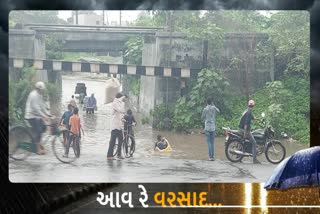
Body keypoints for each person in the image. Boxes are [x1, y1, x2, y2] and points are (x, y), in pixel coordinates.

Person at [24, 81, 53, 155]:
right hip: (31, 116)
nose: (43, 91)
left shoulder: (39, 95)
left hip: (36, 116)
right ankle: (38, 149)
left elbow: (42, 106)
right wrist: (44, 116)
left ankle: (38, 142)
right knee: (39, 131)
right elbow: (36, 108)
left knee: (44, 128)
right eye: (42, 89)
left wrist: (49, 114)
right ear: (38, 89)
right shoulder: (33, 95)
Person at [239, 100, 260, 164]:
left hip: (241, 128)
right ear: (253, 106)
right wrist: (245, 132)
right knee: (254, 142)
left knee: (248, 141)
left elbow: (253, 118)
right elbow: (246, 124)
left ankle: (240, 155)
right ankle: (254, 160)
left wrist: (259, 119)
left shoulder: (248, 111)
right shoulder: (249, 112)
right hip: (244, 129)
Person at [107, 93, 126, 160]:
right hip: (114, 126)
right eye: (122, 98)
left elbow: (122, 113)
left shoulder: (121, 104)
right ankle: (109, 155)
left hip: (119, 126)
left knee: (121, 140)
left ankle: (119, 154)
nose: (123, 100)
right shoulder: (114, 103)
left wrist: (123, 119)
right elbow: (120, 110)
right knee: (112, 141)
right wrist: (123, 98)